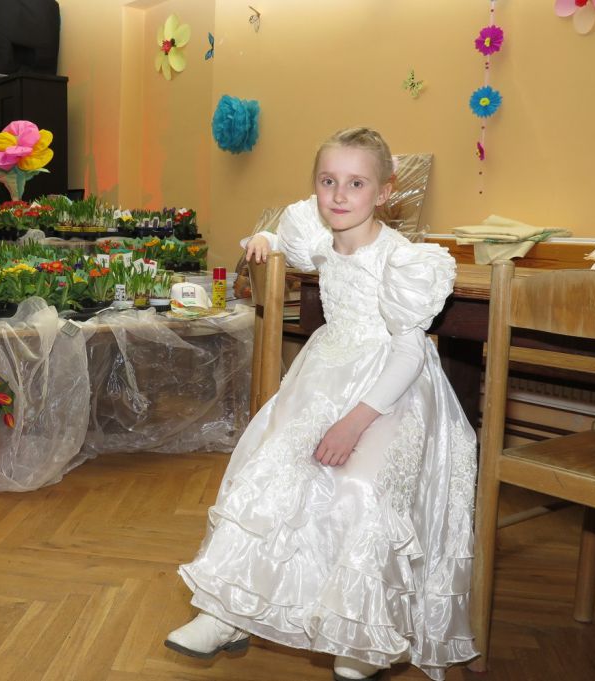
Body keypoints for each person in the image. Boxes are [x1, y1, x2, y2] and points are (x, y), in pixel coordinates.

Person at [166, 128, 478, 681]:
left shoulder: (403, 260)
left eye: (356, 184)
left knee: (360, 489)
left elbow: (408, 353)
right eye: (327, 181)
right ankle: (227, 611)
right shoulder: (317, 231)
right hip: (327, 370)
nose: (338, 194)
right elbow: (293, 243)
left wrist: (354, 423)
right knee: (271, 473)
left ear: (383, 192)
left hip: (389, 388)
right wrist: (265, 239)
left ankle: (360, 633)